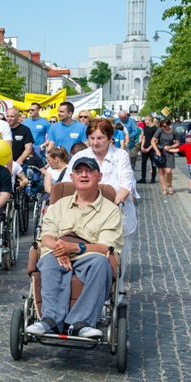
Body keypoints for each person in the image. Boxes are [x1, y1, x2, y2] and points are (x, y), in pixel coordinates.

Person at [25, 157, 123, 339]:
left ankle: (80, 323)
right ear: (72, 176)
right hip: (56, 252)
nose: (84, 175)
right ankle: (50, 321)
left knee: (102, 263)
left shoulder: (111, 211)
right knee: (47, 261)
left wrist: (75, 247)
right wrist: (59, 249)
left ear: (99, 176)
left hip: (90, 256)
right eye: (79, 171)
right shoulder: (59, 205)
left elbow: (106, 247)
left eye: (89, 171)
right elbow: (46, 235)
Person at [68, 118, 136, 277]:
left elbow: (126, 185)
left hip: (117, 215)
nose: (95, 142)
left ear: (110, 138)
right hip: (85, 217)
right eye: (92, 138)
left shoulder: (120, 156)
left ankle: (116, 293)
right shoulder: (80, 156)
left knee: (117, 259)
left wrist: (114, 204)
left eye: (100, 138)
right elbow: (67, 182)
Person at [151, 119, 179, 196]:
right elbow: (152, 141)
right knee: (161, 171)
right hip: (160, 151)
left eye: (165, 126)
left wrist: (170, 146)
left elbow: (177, 143)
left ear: (169, 125)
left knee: (168, 171)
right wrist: (157, 151)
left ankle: (169, 185)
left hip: (169, 152)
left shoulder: (174, 132)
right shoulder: (160, 130)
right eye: (162, 125)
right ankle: (164, 188)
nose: (163, 127)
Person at [138, 115, 159, 184]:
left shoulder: (155, 129)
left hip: (152, 148)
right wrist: (142, 147)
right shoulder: (145, 128)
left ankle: (153, 178)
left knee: (153, 163)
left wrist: (149, 148)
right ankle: (143, 178)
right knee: (143, 163)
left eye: (146, 119)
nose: (145, 120)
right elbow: (144, 137)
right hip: (144, 147)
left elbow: (156, 140)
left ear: (149, 120)